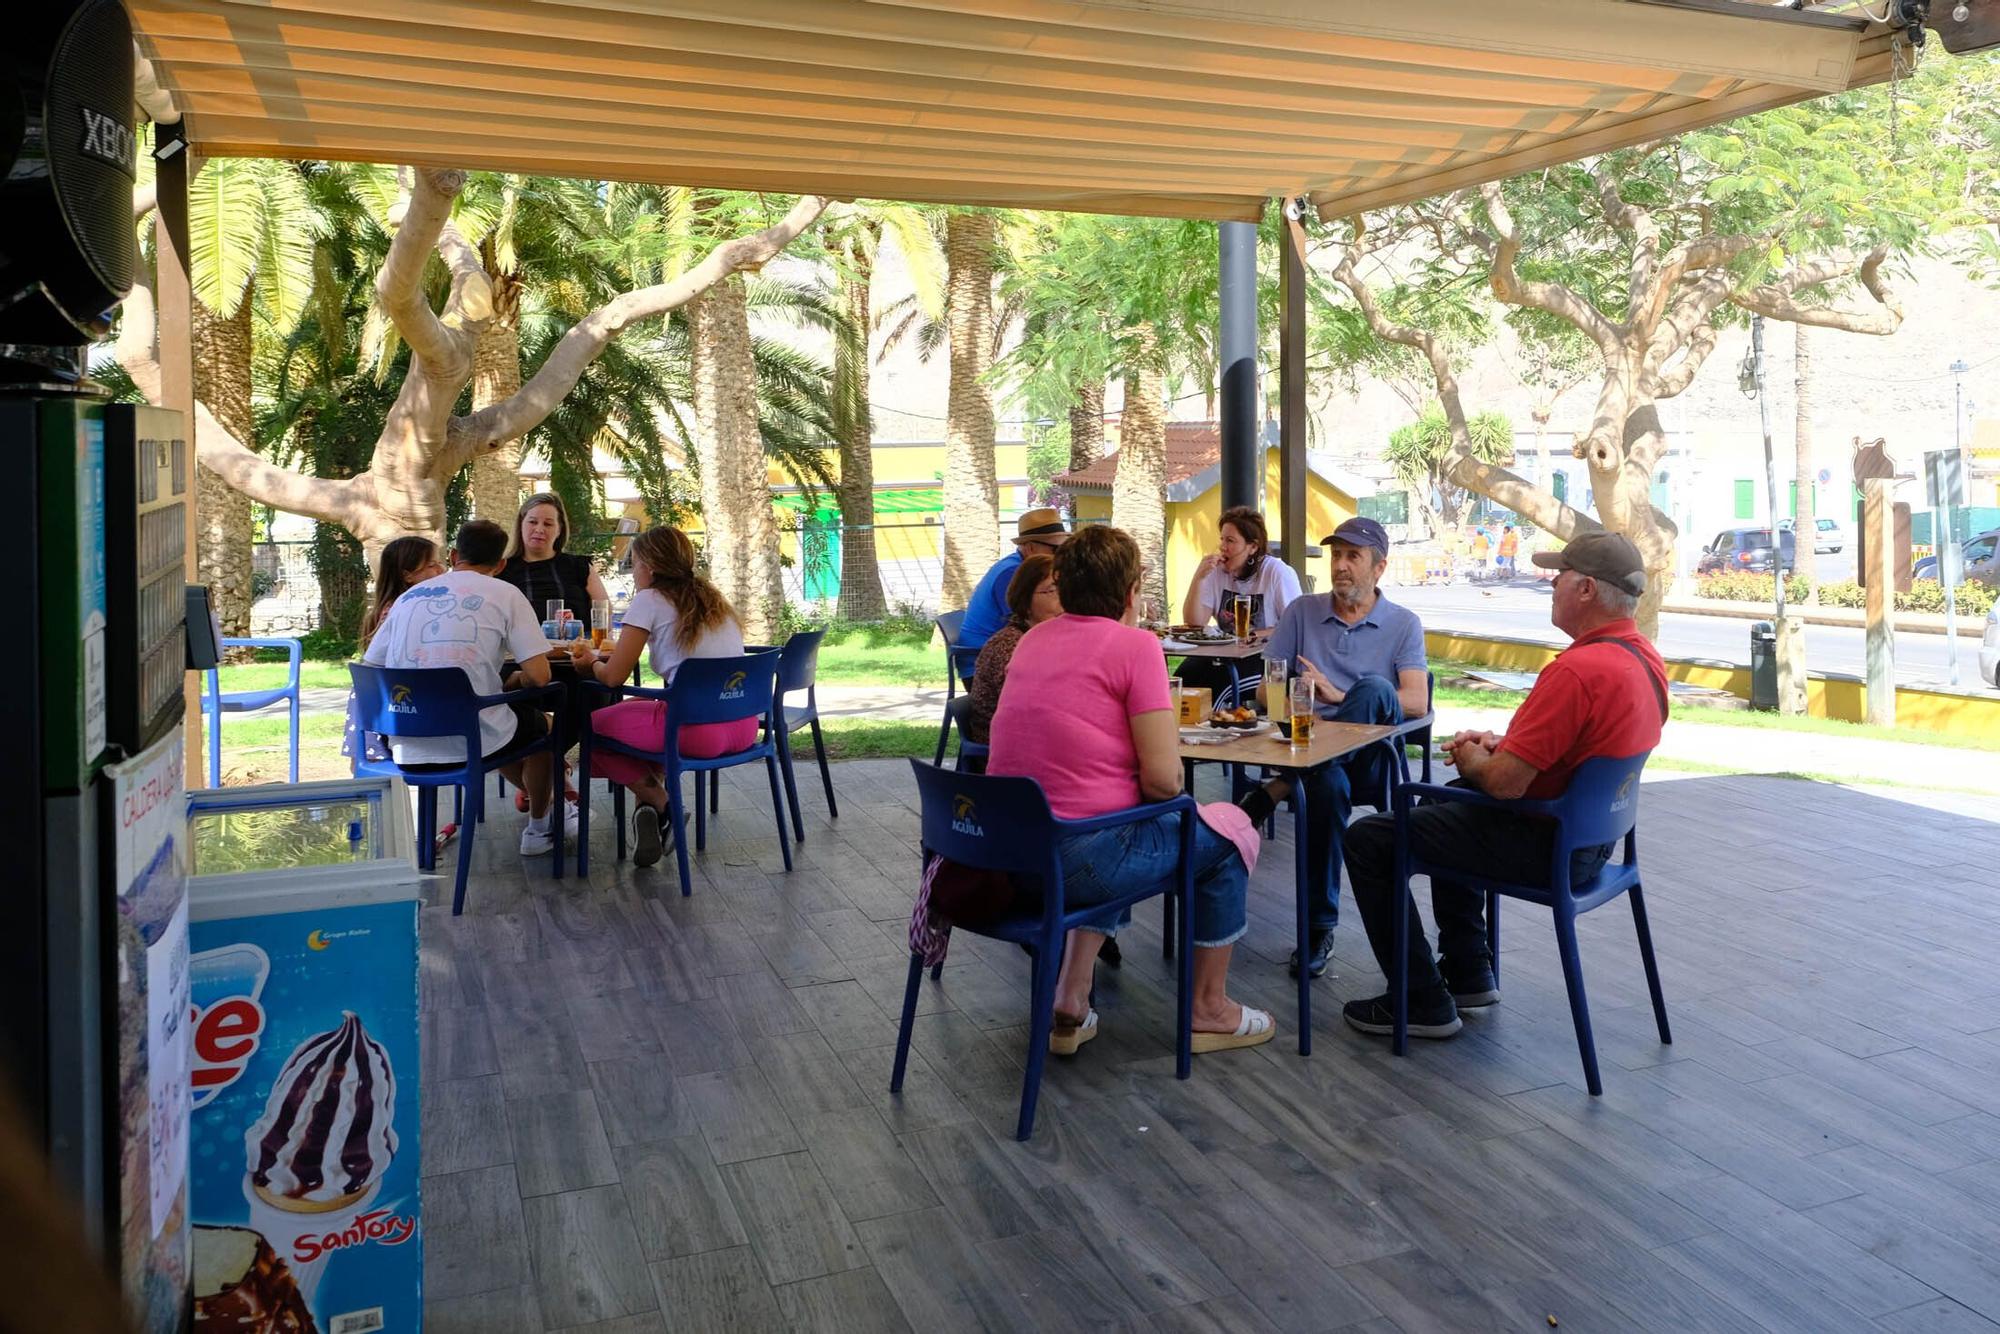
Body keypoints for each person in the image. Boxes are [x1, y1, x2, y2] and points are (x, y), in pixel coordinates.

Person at [1339, 531, 1668, 1039]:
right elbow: (1571, 753)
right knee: (1436, 803)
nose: (1552, 583)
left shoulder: (1577, 672)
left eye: (1559, 575)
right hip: (1597, 840)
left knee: (1370, 838)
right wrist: (1501, 747)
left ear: (1585, 591)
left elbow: (1505, 785)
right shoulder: (1645, 661)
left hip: (1551, 846)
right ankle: (1469, 971)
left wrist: (1477, 758)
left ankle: (1420, 999)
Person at [988, 525, 1275, 1055]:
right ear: (1130, 590)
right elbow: (1166, 782)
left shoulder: (1030, 642)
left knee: (1117, 818)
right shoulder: (1137, 646)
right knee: (1228, 835)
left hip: (1005, 856)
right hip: (1078, 859)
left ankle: (1071, 996)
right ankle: (1209, 1008)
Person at [1257, 516, 1430, 980]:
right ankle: (1318, 928)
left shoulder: (1402, 624)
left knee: (1375, 689)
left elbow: (1416, 701)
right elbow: (1263, 693)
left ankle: (1281, 784)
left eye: (1353, 556)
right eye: (1336, 555)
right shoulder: (1301, 612)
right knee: (1327, 783)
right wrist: (1301, 694)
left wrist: (1336, 696)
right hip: (1318, 759)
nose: (1341, 566)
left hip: (1373, 763)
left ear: (1379, 568)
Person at [361, 519, 568, 856]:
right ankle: (540, 828)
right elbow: (541, 677)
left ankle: (555, 805)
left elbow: (371, 668)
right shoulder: (506, 593)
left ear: (455, 555)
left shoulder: (409, 597)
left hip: (404, 744)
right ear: (501, 565)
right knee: (543, 729)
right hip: (472, 739)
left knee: (500, 720)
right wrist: (514, 680)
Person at [576, 526, 755, 869]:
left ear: (651, 567)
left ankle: (661, 802)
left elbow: (614, 677)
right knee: (633, 714)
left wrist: (590, 664)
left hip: (693, 730)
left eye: (635, 562)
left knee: (592, 728)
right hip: (741, 725)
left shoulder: (649, 600)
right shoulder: (712, 598)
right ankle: (650, 813)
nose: (633, 569)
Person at [1176, 505, 1302, 699]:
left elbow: (1296, 627)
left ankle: (1219, 726)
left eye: (1231, 541)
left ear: (1253, 547)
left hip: (1262, 659)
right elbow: (1195, 623)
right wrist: (1198, 578)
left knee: (1218, 688)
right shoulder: (1217, 572)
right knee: (1183, 679)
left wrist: (1257, 634)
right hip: (1222, 655)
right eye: (1222, 539)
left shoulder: (1276, 572)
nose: (1223, 547)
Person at [962, 552, 1059, 745]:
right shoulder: (1011, 646)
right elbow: (1034, 710)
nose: (1063, 600)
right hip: (1004, 751)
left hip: (1034, 742)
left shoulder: (1041, 638)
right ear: (1025, 600)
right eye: (1051, 591)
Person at [956, 507, 1070, 665]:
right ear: (1030, 548)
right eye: (1055, 549)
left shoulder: (1021, 567)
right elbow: (1026, 622)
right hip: (982, 661)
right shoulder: (1012, 572)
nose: (1060, 555)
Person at [495, 491, 610, 628]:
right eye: (532, 522)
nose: (539, 529)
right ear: (521, 524)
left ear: (559, 529)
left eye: (548, 524)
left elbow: (604, 611)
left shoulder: (579, 567)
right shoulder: (500, 569)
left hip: (576, 647)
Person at [360, 536, 447, 649]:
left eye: (440, 563)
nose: (442, 569)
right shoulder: (399, 610)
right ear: (407, 575)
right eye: (431, 565)